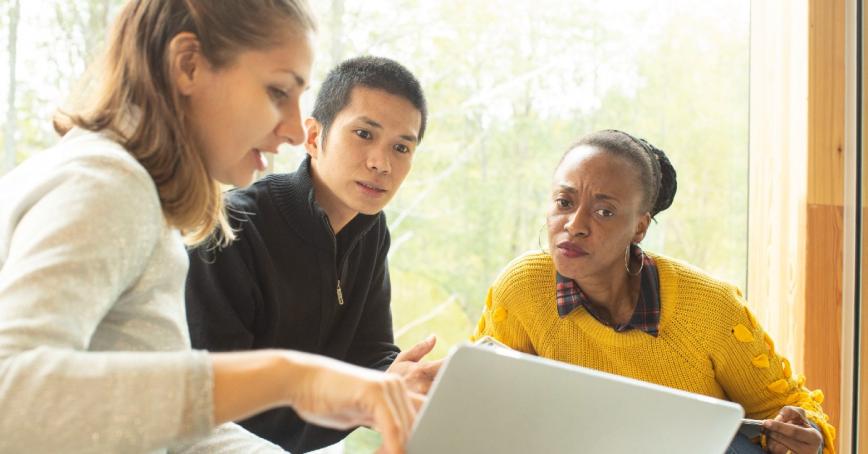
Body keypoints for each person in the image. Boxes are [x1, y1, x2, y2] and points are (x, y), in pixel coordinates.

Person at [0, 2, 418, 453]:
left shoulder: (135, 197)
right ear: (189, 65)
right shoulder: (108, 186)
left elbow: (179, 427)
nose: (297, 132)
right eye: (278, 92)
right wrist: (289, 378)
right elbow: (10, 396)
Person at [472, 129, 835, 454]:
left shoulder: (710, 308)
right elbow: (484, 405)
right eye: (564, 203)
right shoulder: (522, 288)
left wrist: (808, 437)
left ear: (639, 227)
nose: (575, 225)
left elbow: (788, 408)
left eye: (604, 212)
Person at [185, 55, 441, 452]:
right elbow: (217, 400)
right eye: (363, 134)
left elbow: (369, 350)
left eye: (401, 147)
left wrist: (404, 378)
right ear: (312, 137)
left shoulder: (371, 228)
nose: (381, 163)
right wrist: (368, 397)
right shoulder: (230, 227)